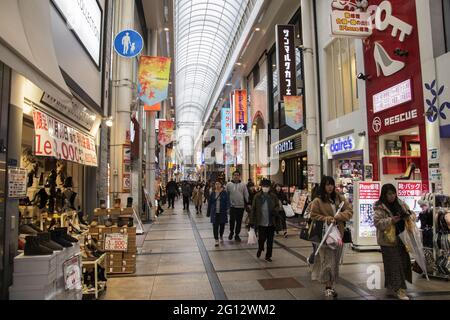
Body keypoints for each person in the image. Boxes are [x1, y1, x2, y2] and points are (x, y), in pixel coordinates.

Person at [310, 176, 353, 298]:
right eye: (327, 185)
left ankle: (331, 285)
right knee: (327, 261)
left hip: (338, 234)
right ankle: (328, 286)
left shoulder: (339, 197)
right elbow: (313, 215)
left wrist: (339, 217)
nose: (330, 187)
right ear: (323, 186)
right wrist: (327, 219)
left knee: (335, 261)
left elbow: (349, 211)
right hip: (325, 235)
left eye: (331, 184)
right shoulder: (318, 201)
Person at [374, 184, 415, 300]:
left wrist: (410, 215)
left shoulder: (400, 203)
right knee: (394, 264)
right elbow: (377, 223)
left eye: (393, 193)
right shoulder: (379, 206)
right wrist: (391, 220)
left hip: (401, 238)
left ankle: (392, 286)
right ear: (384, 194)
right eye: (389, 194)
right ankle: (400, 290)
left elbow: (410, 212)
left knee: (402, 263)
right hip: (387, 241)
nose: (392, 196)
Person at [249, 179, 281, 262]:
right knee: (261, 239)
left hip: (271, 222)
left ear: (270, 187)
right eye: (264, 186)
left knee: (270, 240)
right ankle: (260, 248)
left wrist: (275, 210)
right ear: (261, 187)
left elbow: (278, 206)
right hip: (261, 222)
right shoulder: (257, 196)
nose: (265, 188)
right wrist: (251, 221)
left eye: (267, 186)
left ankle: (268, 256)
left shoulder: (273, 196)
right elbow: (253, 209)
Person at [226, 171, 249, 242]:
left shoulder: (243, 185)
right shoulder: (228, 184)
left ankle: (237, 234)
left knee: (239, 221)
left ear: (239, 176)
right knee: (232, 221)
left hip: (240, 206)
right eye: (235, 175)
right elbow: (226, 195)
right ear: (232, 176)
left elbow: (246, 194)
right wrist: (227, 205)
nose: (236, 176)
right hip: (232, 206)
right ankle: (231, 232)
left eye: (237, 175)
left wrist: (248, 203)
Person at [207, 181, 230, 247]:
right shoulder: (212, 193)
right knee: (215, 226)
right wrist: (208, 212)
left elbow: (227, 201)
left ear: (221, 185)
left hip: (222, 212)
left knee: (222, 225)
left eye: (218, 184)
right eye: (216, 184)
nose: (217, 185)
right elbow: (210, 203)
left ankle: (221, 235)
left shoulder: (224, 193)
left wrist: (228, 208)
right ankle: (216, 239)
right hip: (214, 212)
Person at [305, 183, 320, 265]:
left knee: (318, 249)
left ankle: (312, 261)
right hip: (314, 229)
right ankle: (311, 260)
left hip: (320, 228)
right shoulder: (312, 203)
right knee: (316, 249)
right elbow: (306, 215)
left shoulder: (324, 202)